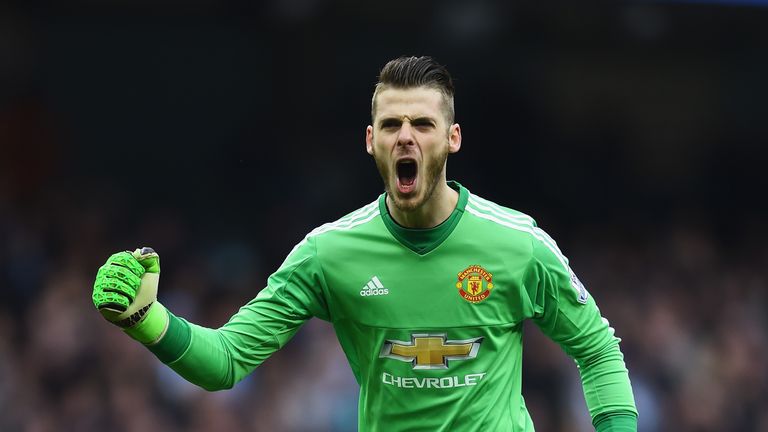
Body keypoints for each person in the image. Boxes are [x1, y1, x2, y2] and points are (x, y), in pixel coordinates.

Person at [92, 56, 637, 431]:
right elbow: (226, 361)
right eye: (392, 122)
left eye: (423, 123)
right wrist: (148, 321)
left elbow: (598, 349)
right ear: (370, 140)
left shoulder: (519, 243)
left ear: (452, 139)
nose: (407, 135)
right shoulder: (327, 254)